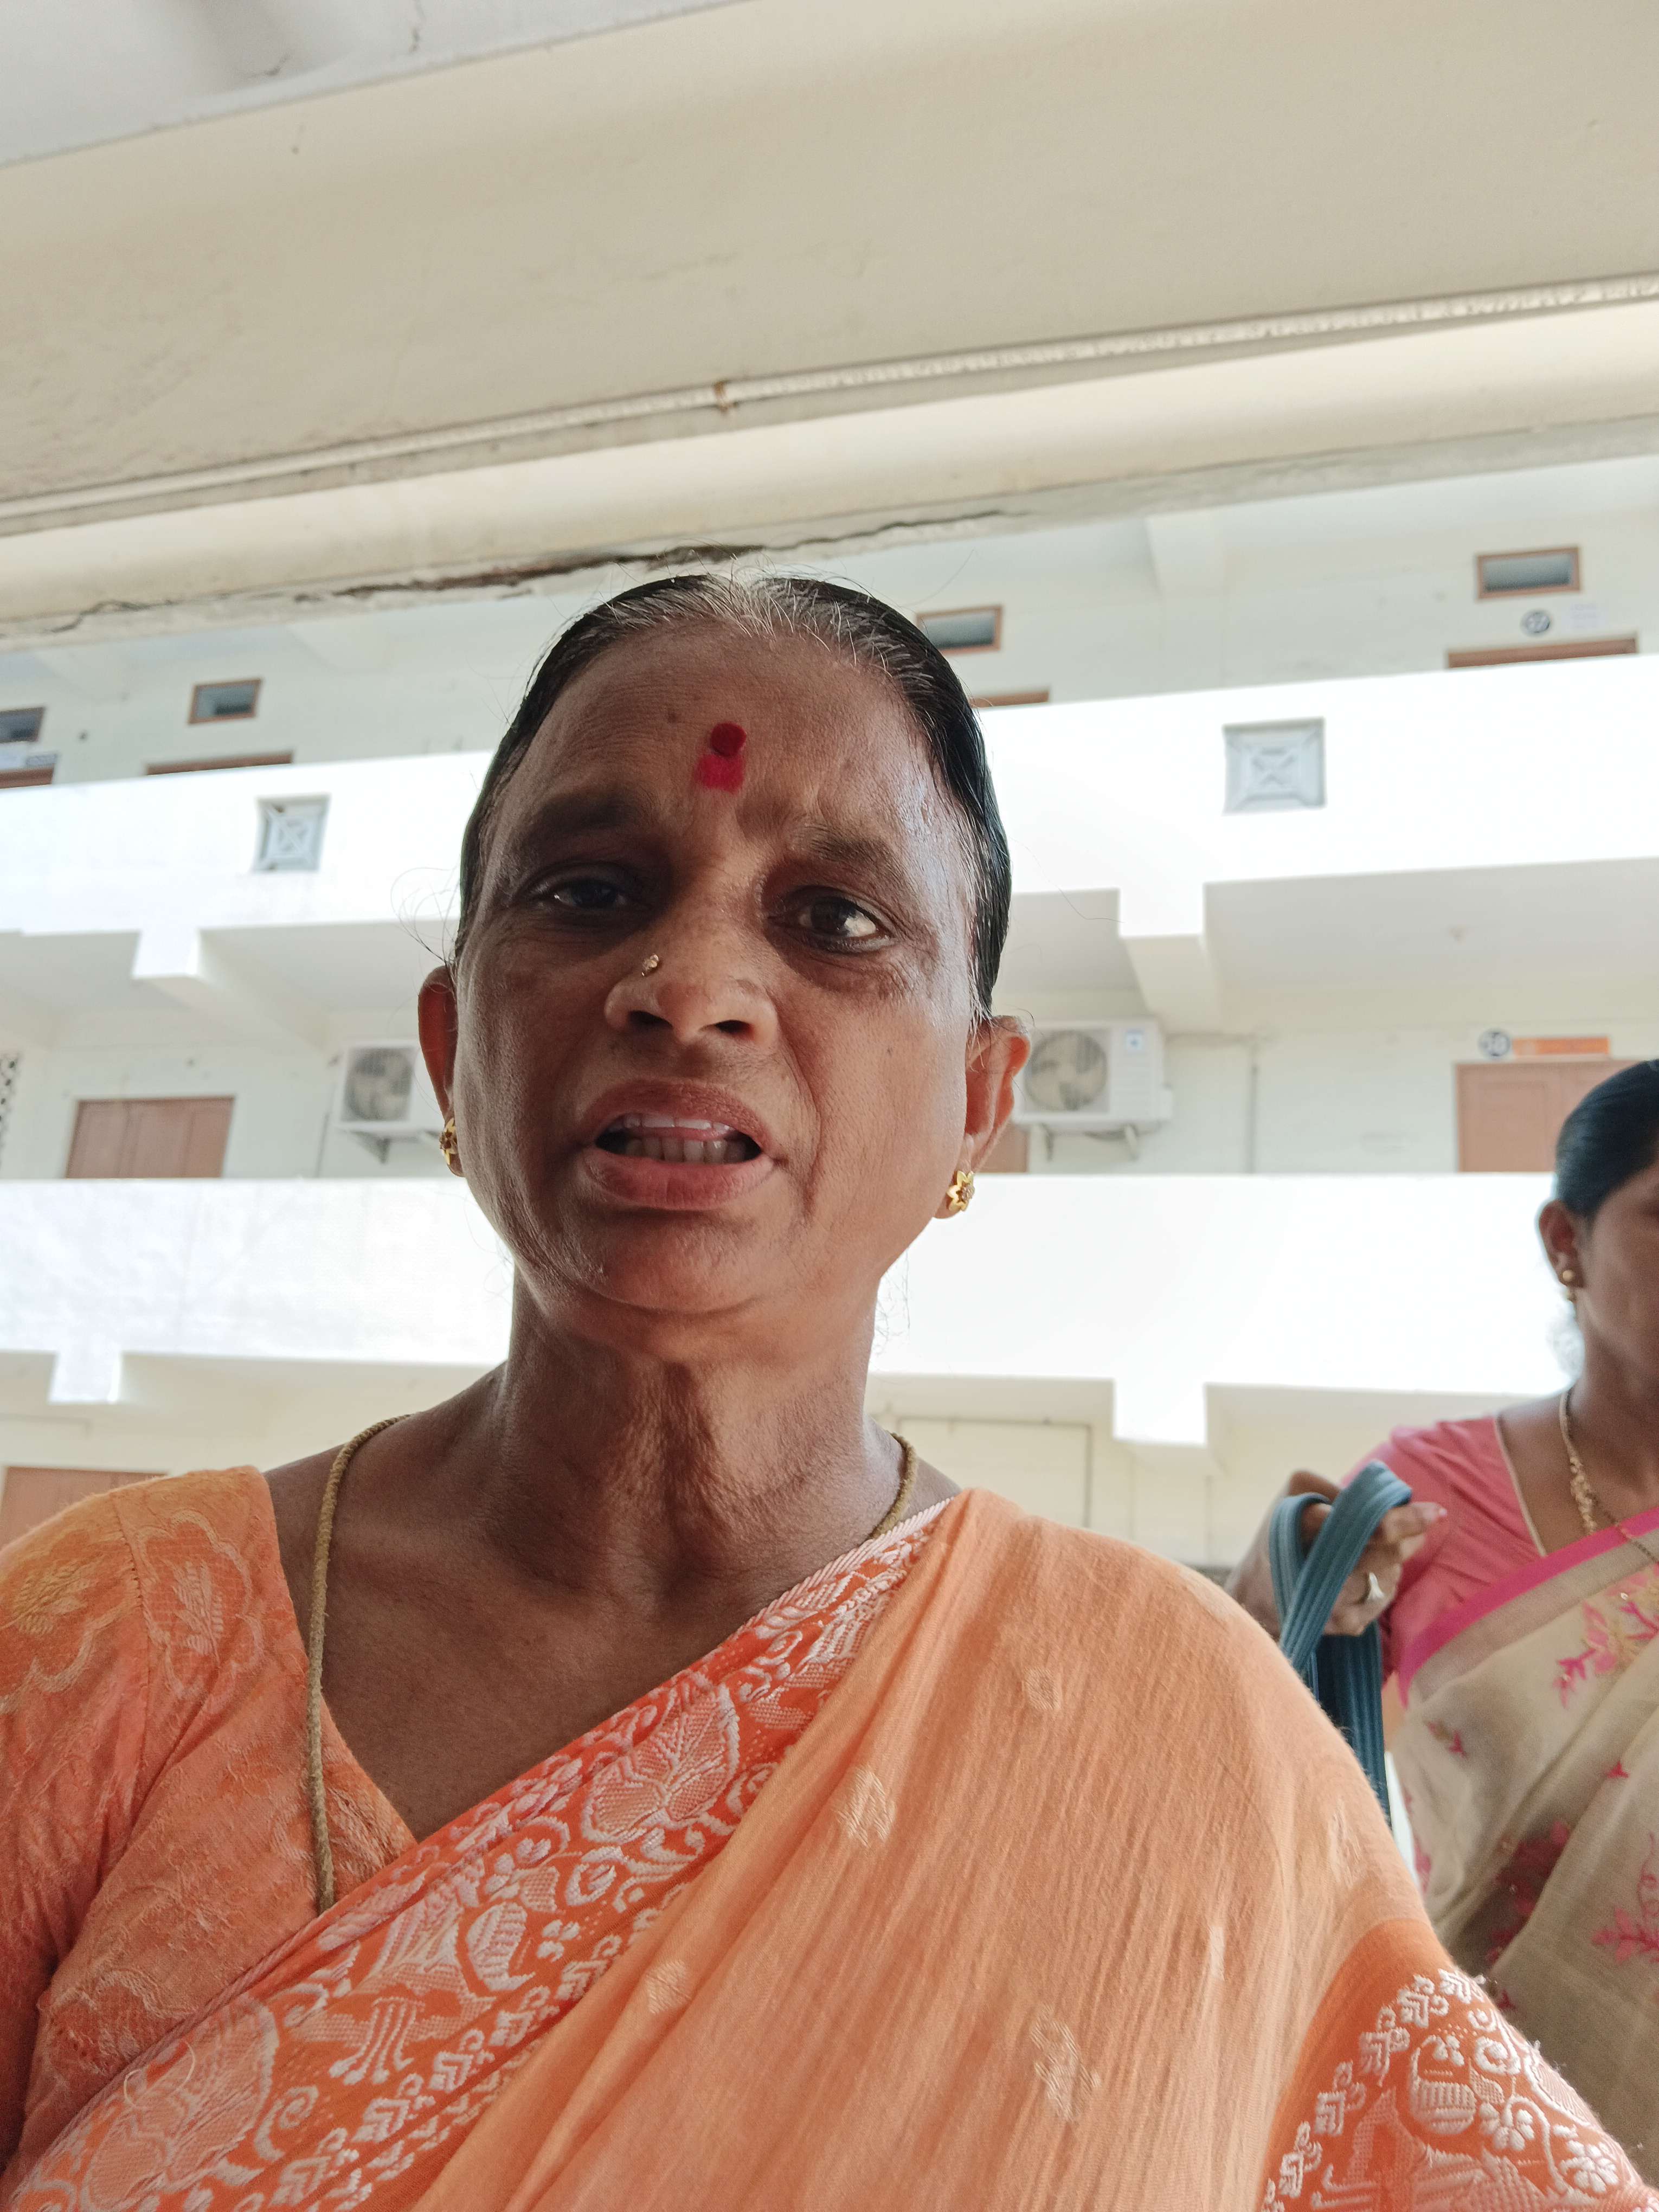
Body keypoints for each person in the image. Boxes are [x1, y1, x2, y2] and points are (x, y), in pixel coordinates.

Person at [2, 578, 1650, 2212]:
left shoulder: (1194, 1737)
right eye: (589, 891)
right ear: (450, 1045)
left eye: (836, 920)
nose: (687, 985)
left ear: (979, 1101)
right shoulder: (103, 1643)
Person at [1230, 1059, 1659, 2182]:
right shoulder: (1431, 1493)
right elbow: (1246, 1737)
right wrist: (1298, 1579)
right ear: (1568, 1242)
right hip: (1479, 2115)